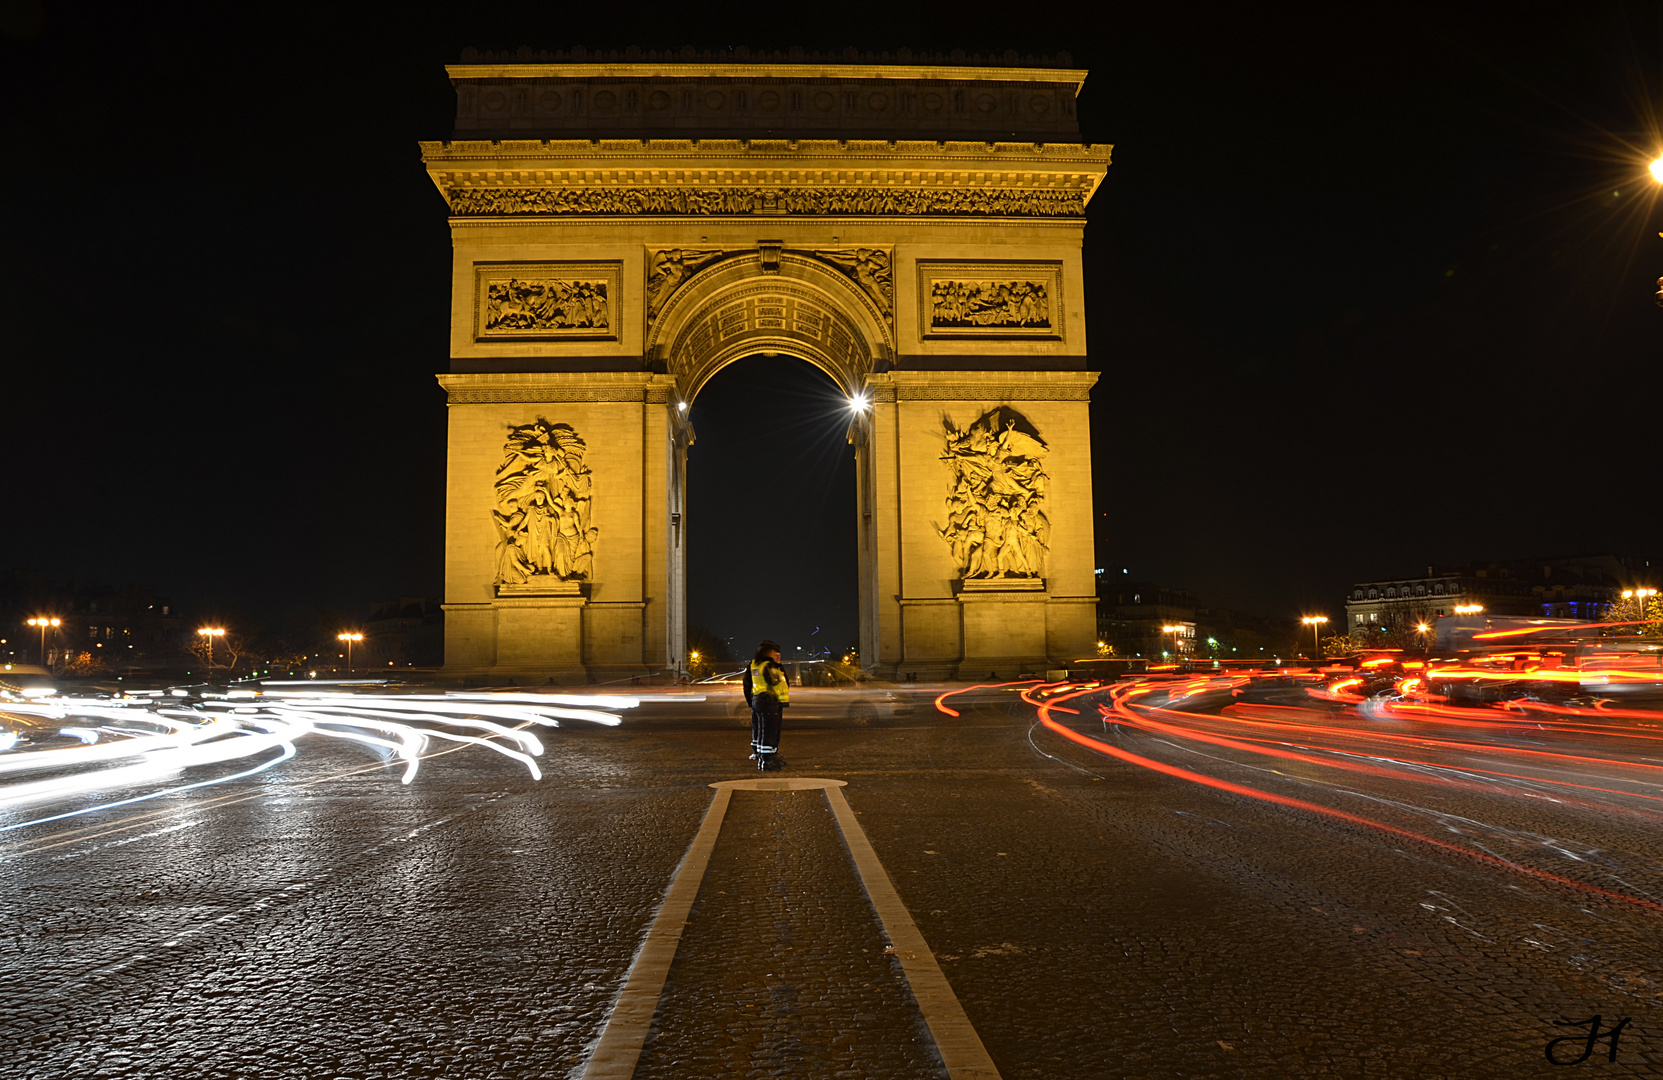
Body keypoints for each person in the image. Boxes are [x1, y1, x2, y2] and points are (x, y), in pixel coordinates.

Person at [743, 640, 789, 771]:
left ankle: (760, 755)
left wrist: (750, 702)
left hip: (758, 700)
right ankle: (768, 761)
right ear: (768, 653)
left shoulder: (753, 665)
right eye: (776, 654)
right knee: (770, 732)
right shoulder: (770, 666)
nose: (778, 657)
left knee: (759, 730)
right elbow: (775, 682)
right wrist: (779, 668)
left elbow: (747, 684)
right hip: (770, 701)